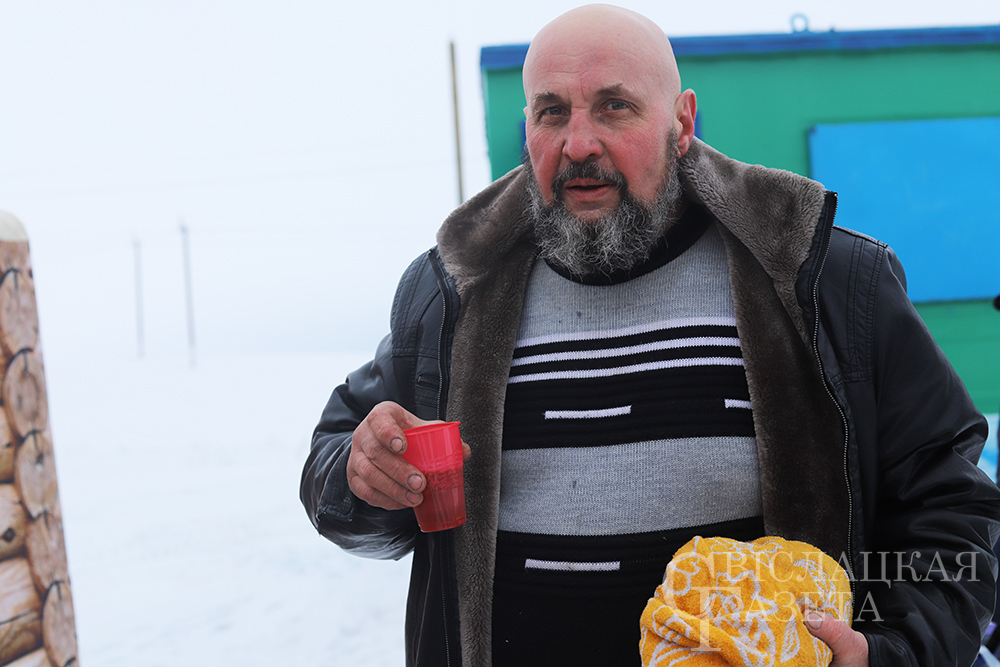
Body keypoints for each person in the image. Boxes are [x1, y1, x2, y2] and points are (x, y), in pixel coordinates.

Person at [300, 5, 1000, 666]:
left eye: (614, 106)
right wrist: (362, 475)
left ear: (682, 121)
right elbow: (339, 465)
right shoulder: (453, 291)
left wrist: (891, 649)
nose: (579, 143)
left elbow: (952, 505)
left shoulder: (822, 279)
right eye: (551, 111)